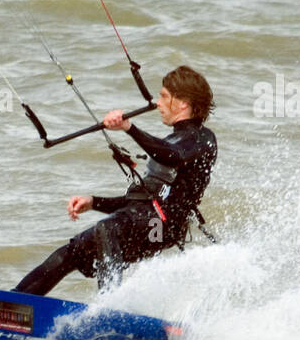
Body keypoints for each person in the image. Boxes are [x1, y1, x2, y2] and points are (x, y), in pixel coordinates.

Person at [14, 66, 216, 296]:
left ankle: (110, 306)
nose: (158, 103)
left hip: (161, 228)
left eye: (163, 97)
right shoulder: (171, 140)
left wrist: (128, 128)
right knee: (72, 251)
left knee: (107, 228)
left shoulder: (201, 138)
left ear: (182, 103)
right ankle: (16, 300)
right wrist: (93, 202)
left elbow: (171, 155)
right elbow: (137, 205)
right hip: (148, 221)